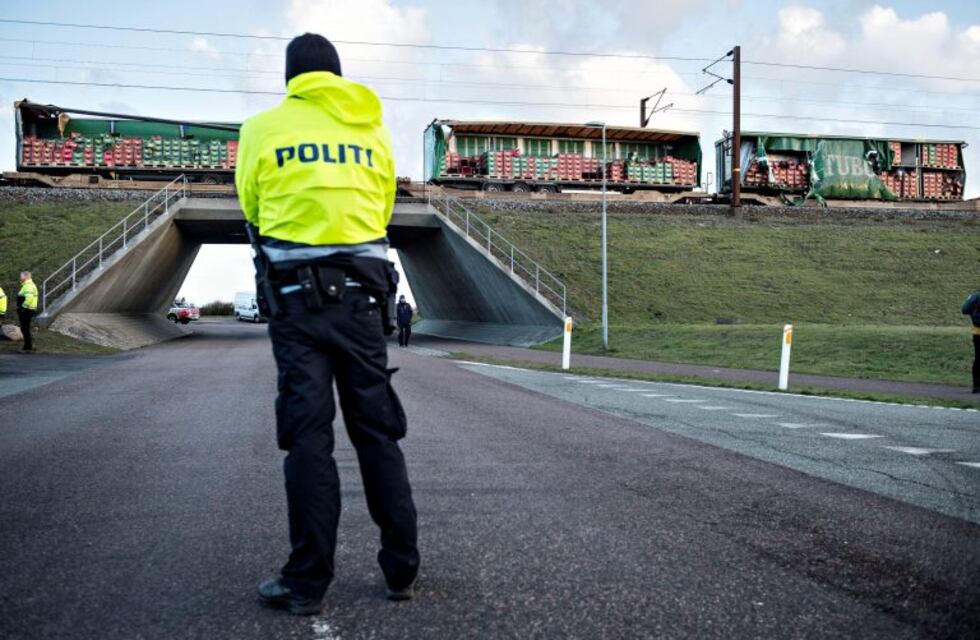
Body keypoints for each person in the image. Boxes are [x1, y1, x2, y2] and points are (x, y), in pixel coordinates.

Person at [235, 33, 419, 615]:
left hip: (297, 303)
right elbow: (383, 207)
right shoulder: (372, 129)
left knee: (308, 439)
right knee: (377, 431)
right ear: (338, 75)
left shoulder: (263, 128)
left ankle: (307, 584)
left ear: (291, 78)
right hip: (365, 301)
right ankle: (401, 570)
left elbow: (252, 207)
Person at [962, 289, 980, 393]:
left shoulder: (975, 296)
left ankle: (976, 385)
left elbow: (964, 309)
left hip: (978, 332)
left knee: (978, 359)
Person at [16, 271, 38, 353]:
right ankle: (27, 346)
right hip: (27, 310)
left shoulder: (28, 286)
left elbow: (29, 299)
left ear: (26, 276)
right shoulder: (26, 285)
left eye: (21, 275)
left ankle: (28, 347)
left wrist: (22, 307)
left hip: (27, 310)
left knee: (25, 328)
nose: (20, 277)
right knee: (25, 328)